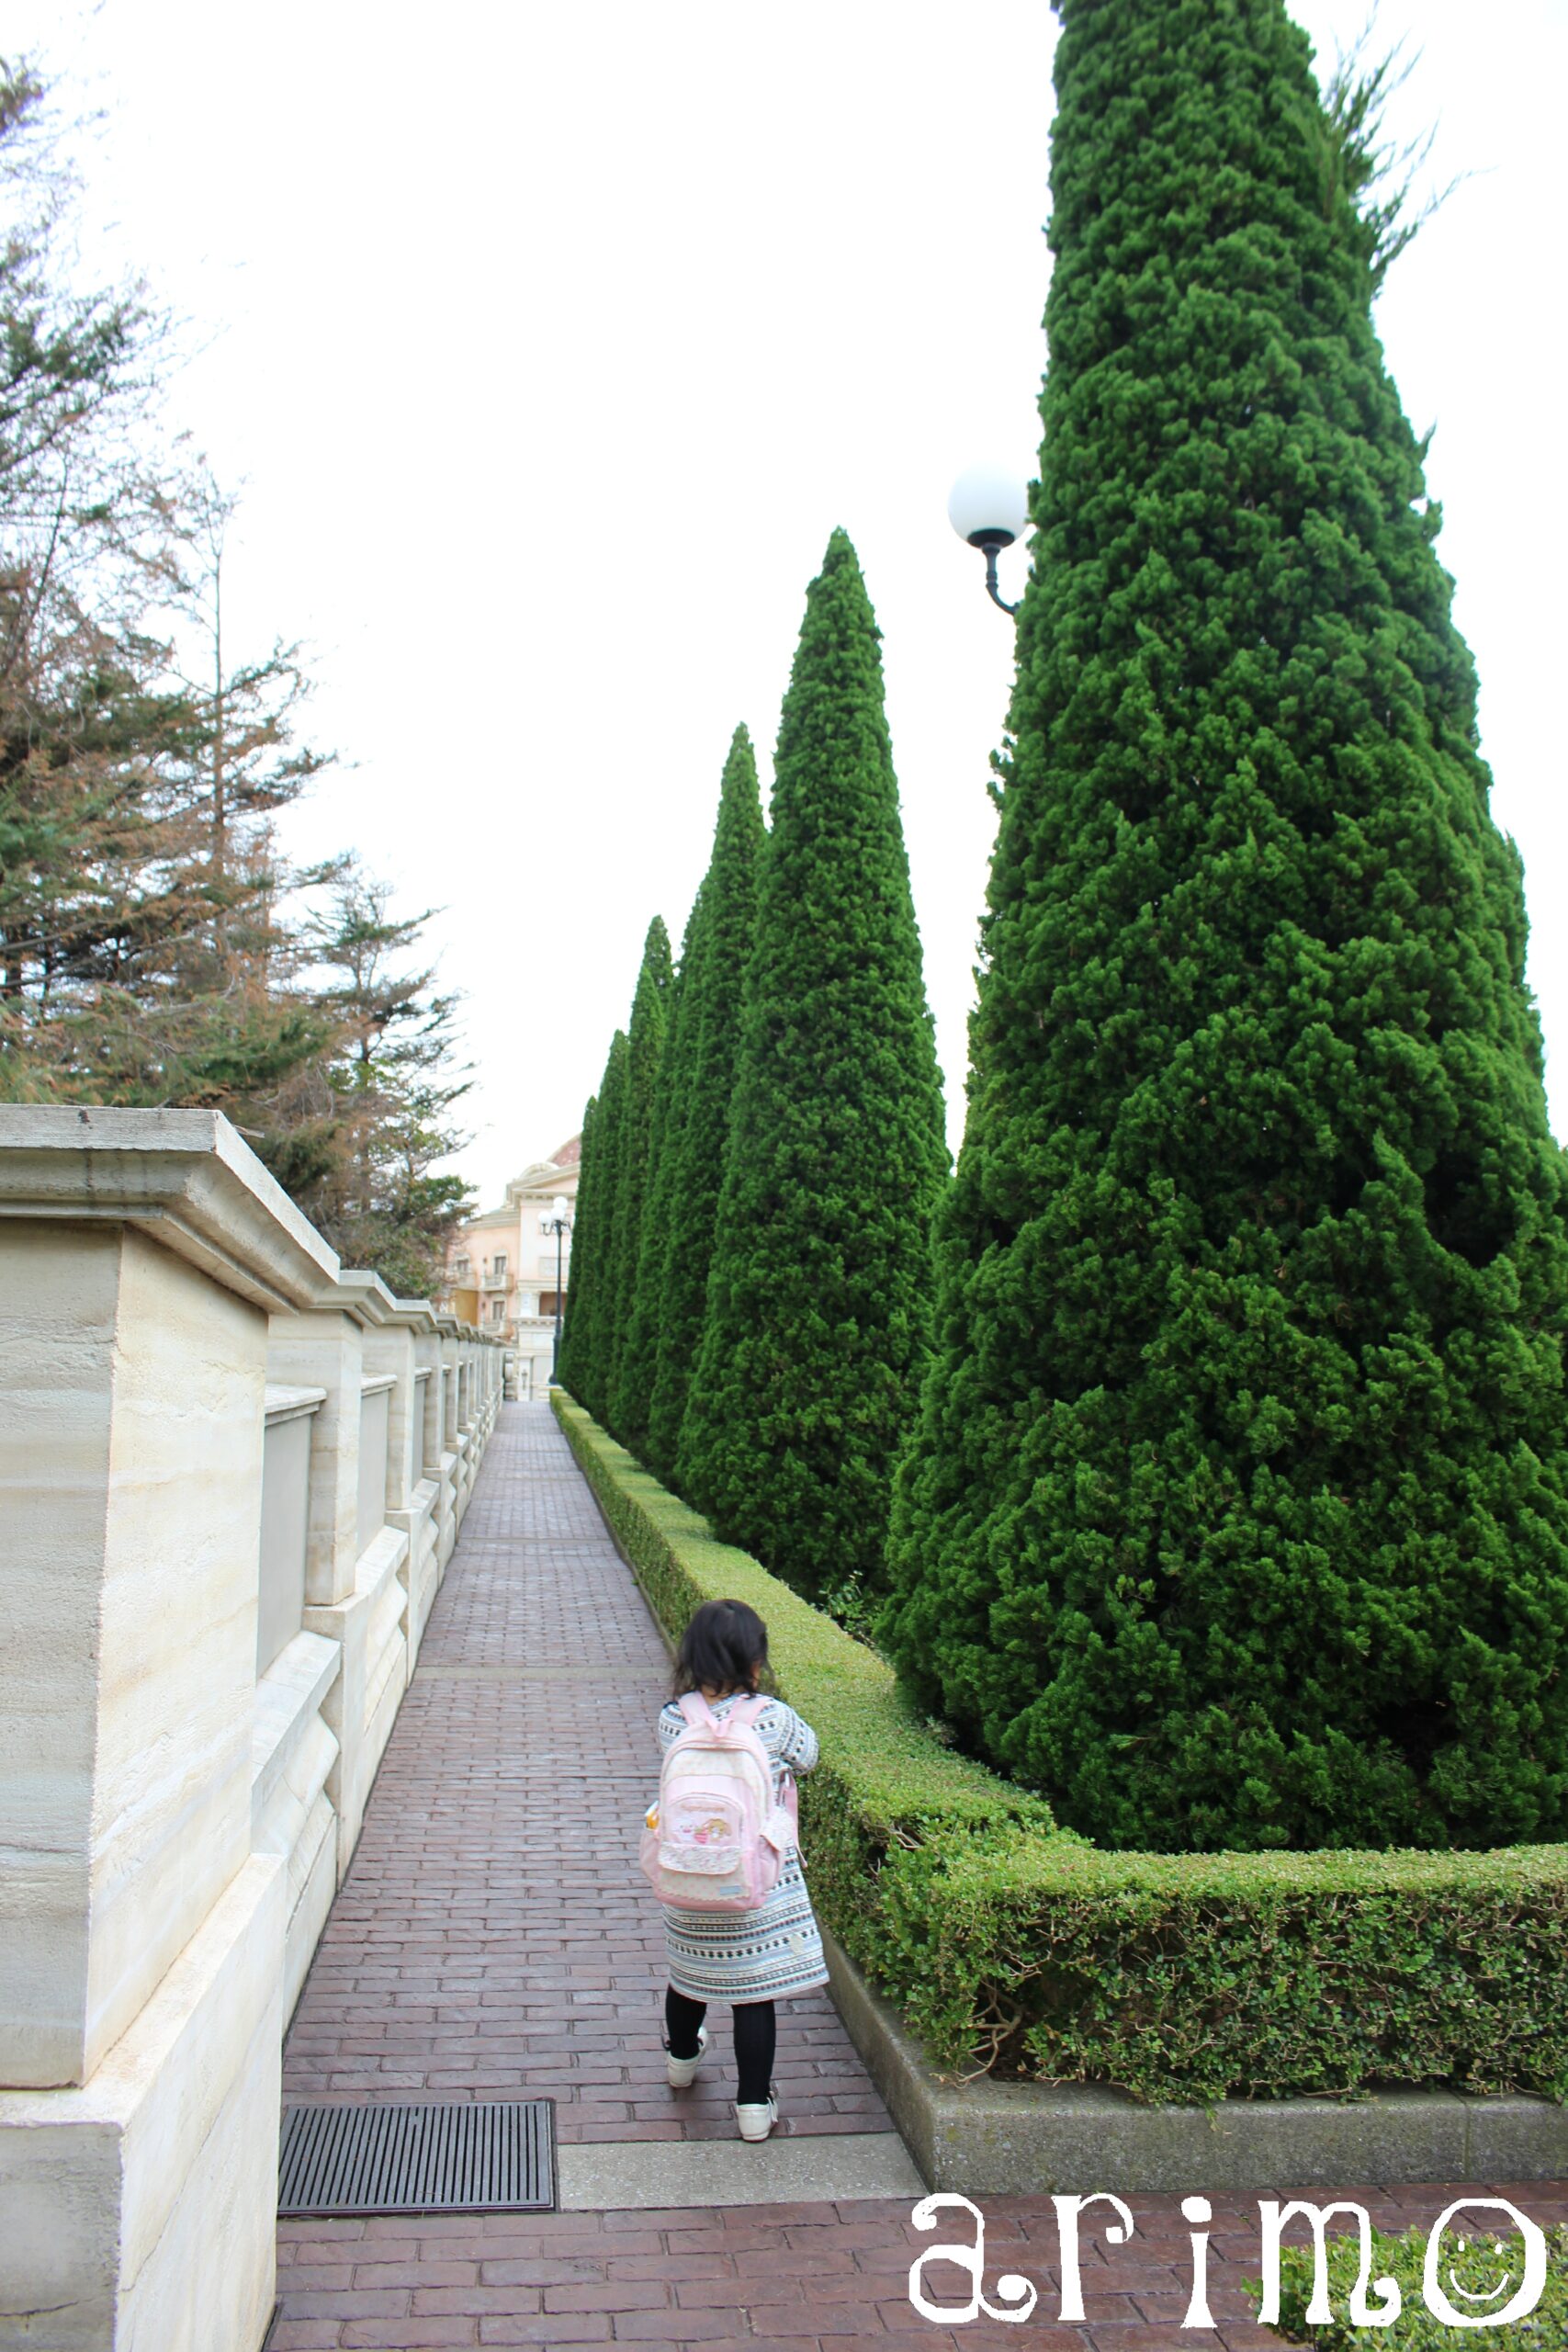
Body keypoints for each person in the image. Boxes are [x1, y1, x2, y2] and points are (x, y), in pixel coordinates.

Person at [657, 1596, 827, 2141]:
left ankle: (681, 2061)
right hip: (757, 1882)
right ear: (755, 1661)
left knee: (689, 1978)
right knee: (753, 1991)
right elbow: (810, 1756)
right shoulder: (773, 1720)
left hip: (688, 1873)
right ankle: (754, 2107)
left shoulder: (673, 1717)